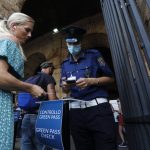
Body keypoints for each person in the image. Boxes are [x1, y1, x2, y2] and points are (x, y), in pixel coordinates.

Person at [60, 26, 117, 150]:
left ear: (81, 42)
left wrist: (92, 81)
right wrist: (65, 86)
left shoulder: (94, 55)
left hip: (97, 109)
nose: (72, 46)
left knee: (106, 145)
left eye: (75, 43)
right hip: (76, 112)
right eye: (69, 43)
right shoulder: (65, 64)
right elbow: (64, 89)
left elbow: (111, 78)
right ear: (66, 43)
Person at [0, 12, 46, 150]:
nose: (30, 35)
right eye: (27, 30)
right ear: (14, 26)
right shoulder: (9, 41)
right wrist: (30, 88)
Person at [21, 61, 58, 150]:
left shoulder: (30, 79)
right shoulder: (48, 78)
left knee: (26, 144)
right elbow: (52, 99)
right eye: (52, 69)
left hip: (26, 117)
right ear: (49, 68)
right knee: (42, 145)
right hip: (40, 117)